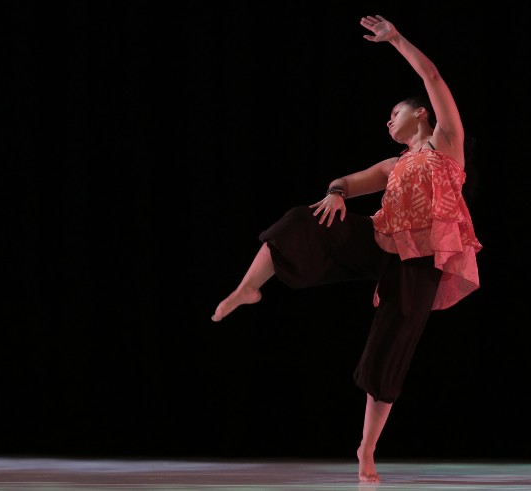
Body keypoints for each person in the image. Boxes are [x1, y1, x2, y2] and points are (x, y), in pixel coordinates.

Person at [210, 14, 482, 483]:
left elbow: (432, 76)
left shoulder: (446, 143)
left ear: (419, 113)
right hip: (380, 243)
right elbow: (349, 182)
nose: (387, 120)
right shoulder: (393, 164)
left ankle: (366, 448)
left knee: (390, 348)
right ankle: (247, 289)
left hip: (420, 261)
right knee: (306, 219)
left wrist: (396, 39)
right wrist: (336, 190)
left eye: (393, 112)